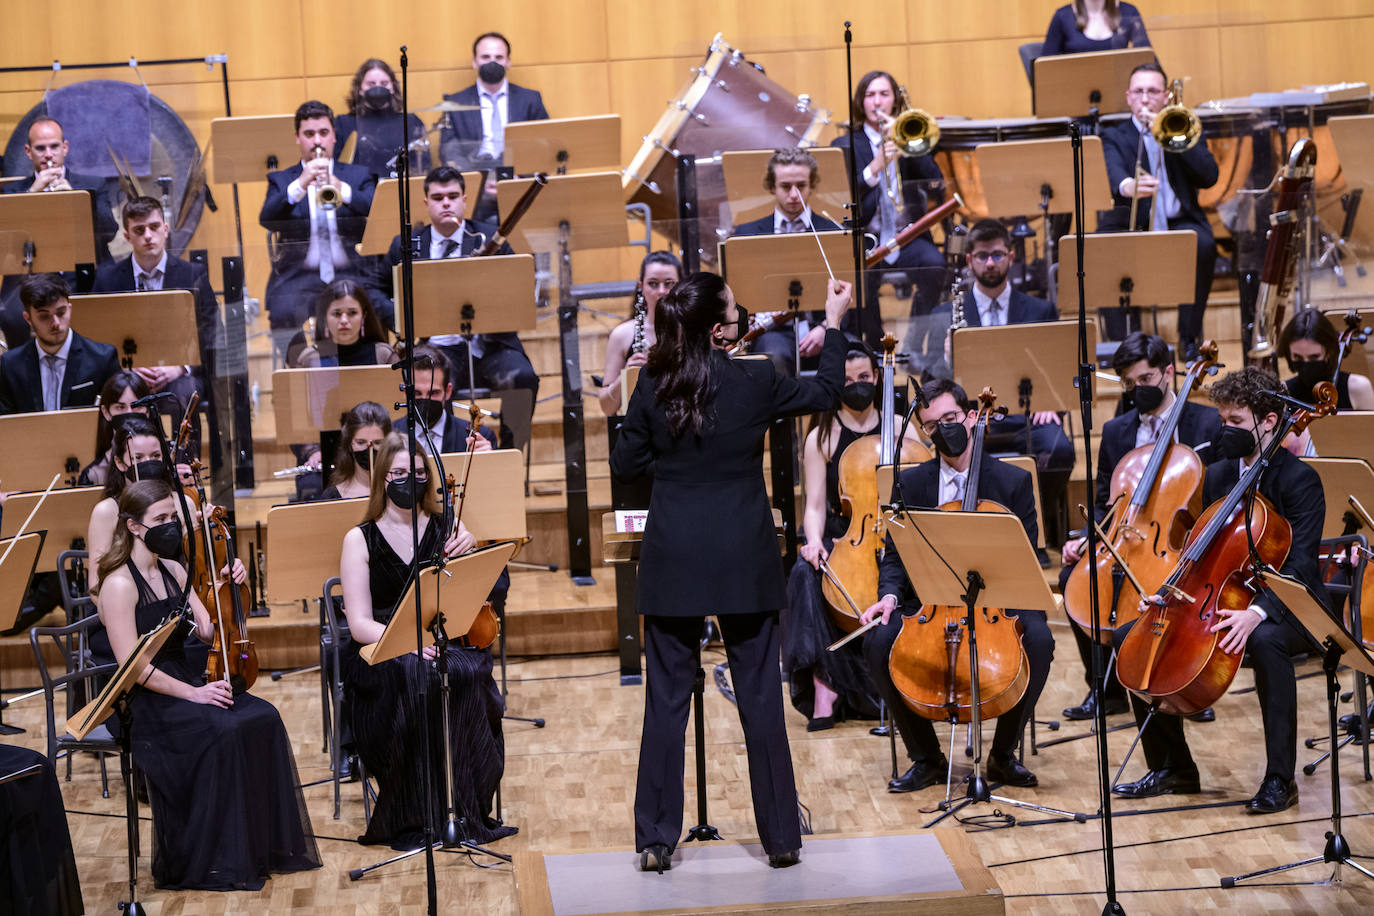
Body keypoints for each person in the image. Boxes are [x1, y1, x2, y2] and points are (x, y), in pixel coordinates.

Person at [610, 271, 854, 872]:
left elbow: (626, 463)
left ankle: (656, 840)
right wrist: (835, 321)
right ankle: (780, 838)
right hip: (743, 555)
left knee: (666, 700)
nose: (743, 314)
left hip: (674, 556)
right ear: (719, 329)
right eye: (733, 309)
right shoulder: (758, 377)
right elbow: (827, 392)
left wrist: (672, 472)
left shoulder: (656, 382)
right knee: (760, 698)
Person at [1111, 367, 1327, 814]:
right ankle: (1174, 768)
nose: (1224, 431)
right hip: (1216, 602)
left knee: (1266, 643)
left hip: (1287, 609)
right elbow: (1201, 553)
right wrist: (1168, 593)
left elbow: (1303, 565)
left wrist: (1256, 614)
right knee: (1128, 638)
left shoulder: (1299, 480)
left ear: (1269, 421)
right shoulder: (1219, 475)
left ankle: (1278, 779)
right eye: (1222, 420)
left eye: (1235, 422)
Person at [92, 479, 321, 889]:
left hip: (186, 677)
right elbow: (134, 668)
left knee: (263, 716)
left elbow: (207, 630)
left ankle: (253, 848)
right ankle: (210, 857)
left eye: (174, 519)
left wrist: (230, 585)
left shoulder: (176, 569)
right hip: (146, 698)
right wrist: (196, 694)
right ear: (133, 527)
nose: (171, 527)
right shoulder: (118, 585)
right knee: (224, 729)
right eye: (160, 519)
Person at [860, 378, 1055, 792]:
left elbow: (1029, 553)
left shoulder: (1011, 482)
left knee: (1039, 640)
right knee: (877, 643)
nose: (943, 428)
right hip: (929, 601)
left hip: (999, 599)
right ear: (924, 432)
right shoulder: (910, 484)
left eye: (950, 418)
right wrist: (889, 598)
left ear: (969, 417)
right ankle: (927, 758)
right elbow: (895, 554)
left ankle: (1002, 756)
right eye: (932, 424)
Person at [338, 431, 514, 848]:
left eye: (417, 473)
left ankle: (464, 809)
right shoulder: (358, 539)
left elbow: (469, 600)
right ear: (383, 478)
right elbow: (360, 623)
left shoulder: (447, 525)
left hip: (440, 637)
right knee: (418, 675)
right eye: (398, 473)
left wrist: (470, 549)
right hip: (383, 647)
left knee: (468, 673)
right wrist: (407, 641)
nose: (408, 480)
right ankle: (417, 813)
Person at [1058, 332, 1220, 721]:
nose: (1137, 391)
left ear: (1168, 372)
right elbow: (1103, 501)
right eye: (1129, 384)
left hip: (1183, 543)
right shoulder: (1116, 431)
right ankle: (1105, 689)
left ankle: (1182, 683)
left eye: (1145, 380)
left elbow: (1217, 496)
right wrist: (1086, 537)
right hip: (1127, 536)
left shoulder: (1206, 424)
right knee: (1072, 578)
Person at [784, 340, 920, 729]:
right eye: (846, 380)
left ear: (877, 377)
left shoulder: (898, 426)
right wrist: (812, 542)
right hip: (847, 535)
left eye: (863, 377)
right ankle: (824, 682)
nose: (856, 385)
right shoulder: (821, 435)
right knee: (803, 574)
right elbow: (813, 506)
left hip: (896, 534)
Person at [938, 218, 1074, 552]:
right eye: (982, 256)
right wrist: (946, 360)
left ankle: (1032, 532)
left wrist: (1049, 401)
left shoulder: (1040, 309)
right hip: (971, 420)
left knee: (1060, 449)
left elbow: (1058, 365)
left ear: (1011, 256)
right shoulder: (948, 312)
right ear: (969, 259)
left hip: (1027, 415)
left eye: (997, 255)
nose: (990, 263)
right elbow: (935, 382)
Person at [1098, 63, 1219, 360]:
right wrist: (1128, 186)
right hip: (1131, 223)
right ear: (1128, 97)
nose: (1144, 99)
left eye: (1152, 91)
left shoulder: (1182, 127)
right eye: (1138, 91)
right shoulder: (1114, 135)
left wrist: (1173, 137)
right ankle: (1125, 346)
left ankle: (1188, 338)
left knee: (1203, 245)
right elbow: (1113, 172)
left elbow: (1209, 175)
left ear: (1165, 97)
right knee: (1105, 253)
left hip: (1180, 221)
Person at [388, 166, 538, 402]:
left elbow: (516, 290)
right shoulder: (406, 244)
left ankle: (509, 442)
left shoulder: (492, 238)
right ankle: (445, 440)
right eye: (438, 198)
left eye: (453, 197)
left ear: (465, 200)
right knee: (429, 390)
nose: (446, 203)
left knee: (524, 379)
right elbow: (376, 289)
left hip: (488, 345)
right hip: (434, 348)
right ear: (426, 202)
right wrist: (404, 320)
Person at [830, 70, 947, 361]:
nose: (877, 102)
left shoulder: (908, 135)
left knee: (935, 265)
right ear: (861, 102)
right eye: (870, 95)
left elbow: (937, 186)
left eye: (884, 94)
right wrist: (875, 167)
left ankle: (914, 340)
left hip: (905, 236)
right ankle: (875, 346)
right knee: (860, 278)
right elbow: (843, 198)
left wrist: (909, 146)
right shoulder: (845, 145)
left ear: (895, 100)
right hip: (867, 238)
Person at [260, 100, 385, 363]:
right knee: (282, 310)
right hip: (302, 276)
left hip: (351, 271)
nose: (317, 141)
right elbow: (267, 218)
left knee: (379, 302)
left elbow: (378, 211)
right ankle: (303, 369)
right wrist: (301, 184)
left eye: (323, 133)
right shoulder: (282, 181)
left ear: (334, 136)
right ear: (297, 138)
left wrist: (342, 188)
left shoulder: (358, 175)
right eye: (309, 134)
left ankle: (369, 367)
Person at [729, 149, 845, 376]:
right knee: (774, 356)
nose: (794, 195)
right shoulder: (747, 233)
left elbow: (849, 293)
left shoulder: (833, 232)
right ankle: (783, 414)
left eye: (801, 186)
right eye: (785, 186)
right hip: (772, 331)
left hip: (824, 324)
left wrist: (826, 328)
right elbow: (740, 293)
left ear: (812, 185)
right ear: (772, 187)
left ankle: (834, 414)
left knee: (853, 356)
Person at [0, 273, 119, 414]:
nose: (56, 323)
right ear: (28, 319)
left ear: (69, 309)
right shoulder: (9, 365)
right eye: (44, 316)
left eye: (61, 313)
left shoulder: (103, 359)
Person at [438, 32, 549, 168]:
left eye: (499, 57)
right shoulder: (454, 103)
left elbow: (544, 143)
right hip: (475, 178)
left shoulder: (530, 100)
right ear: (474, 62)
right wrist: (477, 179)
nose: (492, 62)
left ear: (508, 62)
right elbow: (449, 152)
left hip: (518, 176)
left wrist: (521, 175)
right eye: (485, 57)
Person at [598, 251, 682, 416]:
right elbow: (607, 408)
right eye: (653, 283)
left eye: (669, 283)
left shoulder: (696, 330)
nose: (661, 291)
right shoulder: (622, 335)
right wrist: (626, 375)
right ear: (640, 287)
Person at [392, 345, 496, 456]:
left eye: (433, 393)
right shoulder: (389, 436)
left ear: (448, 391)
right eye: (417, 393)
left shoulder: (479, 439)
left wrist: (488, 463)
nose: (425, 400)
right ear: (405, 392)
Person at [335, 58, 429, 179]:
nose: (378, 88)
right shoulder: (343, 123)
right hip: (360, 193)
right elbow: (336, 167)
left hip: (399, 190)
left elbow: (423, 165)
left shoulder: (410, 122)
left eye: (384, 84)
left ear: (393, 87)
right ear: (359, 89)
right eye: (371, 84)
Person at [292, 278, 397, 368]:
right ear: (325, 317)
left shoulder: (383, 355)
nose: (344, 321)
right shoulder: (309, 359)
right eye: (337, 314)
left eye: (352, 313)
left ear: (363, 316)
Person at [78, 370, 150, 486]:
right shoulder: (93, 475)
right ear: (106, 412)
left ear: (147, 411)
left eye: (137, 406)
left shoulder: (167, 466)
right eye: (120, 407)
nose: (129, 414)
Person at [321, 400, 392, 500]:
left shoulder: (399, 490)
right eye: (361, 442)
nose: (369, 448)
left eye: (377, 443)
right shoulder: (332, 496)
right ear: (349, 443)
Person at [1041, 1, 1151, 56]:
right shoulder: (1062, 16)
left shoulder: (1129, 12)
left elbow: (1148, 60)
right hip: (1073, 91)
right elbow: (1043, 71)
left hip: (1118, 91)